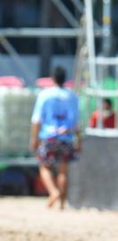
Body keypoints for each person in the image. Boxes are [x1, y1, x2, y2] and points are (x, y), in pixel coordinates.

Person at [30, 66, 81, 210]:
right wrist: (79, 140)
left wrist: (34, 138)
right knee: (63, 171)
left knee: (44, 167)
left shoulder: (45, 95)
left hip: (49, 136)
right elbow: (77, 122)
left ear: (52, 78)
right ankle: (62, 204)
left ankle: (54, 192)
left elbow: (37, 120)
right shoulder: (72, 96)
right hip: (67, 137)